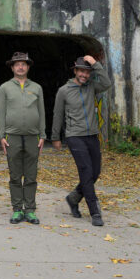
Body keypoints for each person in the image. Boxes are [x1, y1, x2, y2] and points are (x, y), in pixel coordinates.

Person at [52, 55, 113, 227]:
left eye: (87, 72)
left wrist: (95, 64)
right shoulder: (64, 91)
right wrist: (55, 137)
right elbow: (58, 114)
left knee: (95, 172)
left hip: (92, 135)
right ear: (75, 71)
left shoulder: (92, 86)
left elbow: (107, 83)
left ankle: (73, 198)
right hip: (74, 136)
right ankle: (95, 212)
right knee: (86, 171)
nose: (84, 75)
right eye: (81, 71)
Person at [0, 52, 46, 225]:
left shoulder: (37, 88)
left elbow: (41, 112)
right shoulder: (5, 88)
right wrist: (1, 136)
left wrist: (42, 135)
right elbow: (1, 113)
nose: (20, 67)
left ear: (28, 67)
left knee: (31, 175)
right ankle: (17, 209)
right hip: (12, 136)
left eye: (23, 64)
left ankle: (30, 210)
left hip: (33, 137)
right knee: (15, 175)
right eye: (17, 64)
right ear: (12, 67)